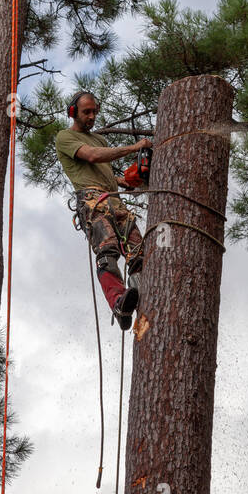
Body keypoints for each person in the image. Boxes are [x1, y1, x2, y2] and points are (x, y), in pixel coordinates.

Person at [55, 90, 152, 330]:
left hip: (116, 201)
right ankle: (119, 303)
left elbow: (106, 172)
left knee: (139, 252)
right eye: (86, 112)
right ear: (73, 112)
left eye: (94, 112)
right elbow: (93, 156)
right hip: (93, 202)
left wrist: (127, 181)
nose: (91, 116)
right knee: (107, 251)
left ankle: (143, 293)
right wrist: (134, 147)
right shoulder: (65, 137)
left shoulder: (100, 139)